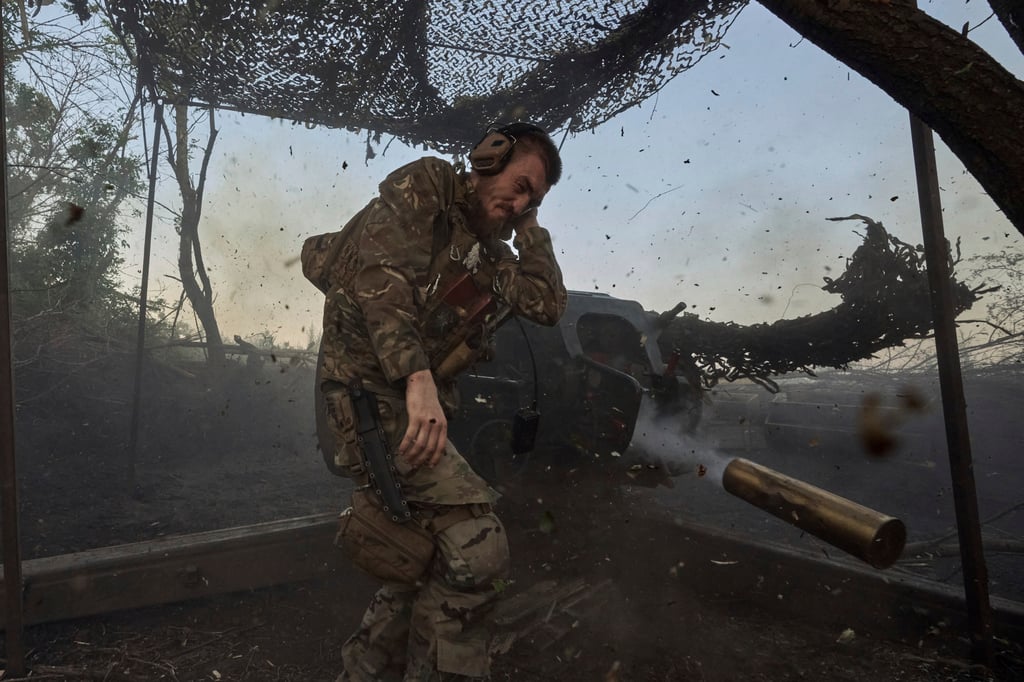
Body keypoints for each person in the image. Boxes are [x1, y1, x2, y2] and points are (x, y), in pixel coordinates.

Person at [307, 122, 566, 682]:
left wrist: (529, 225)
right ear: (488, 158)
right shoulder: (428, 185)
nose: (519, 200)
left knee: (423, 559)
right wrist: (419, 378)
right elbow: (383, 280)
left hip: (406, 408)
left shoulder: (492, 261)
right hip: (366, 400)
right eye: (519, 184)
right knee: (478, 548)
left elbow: (547, 303)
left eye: (533, 198)